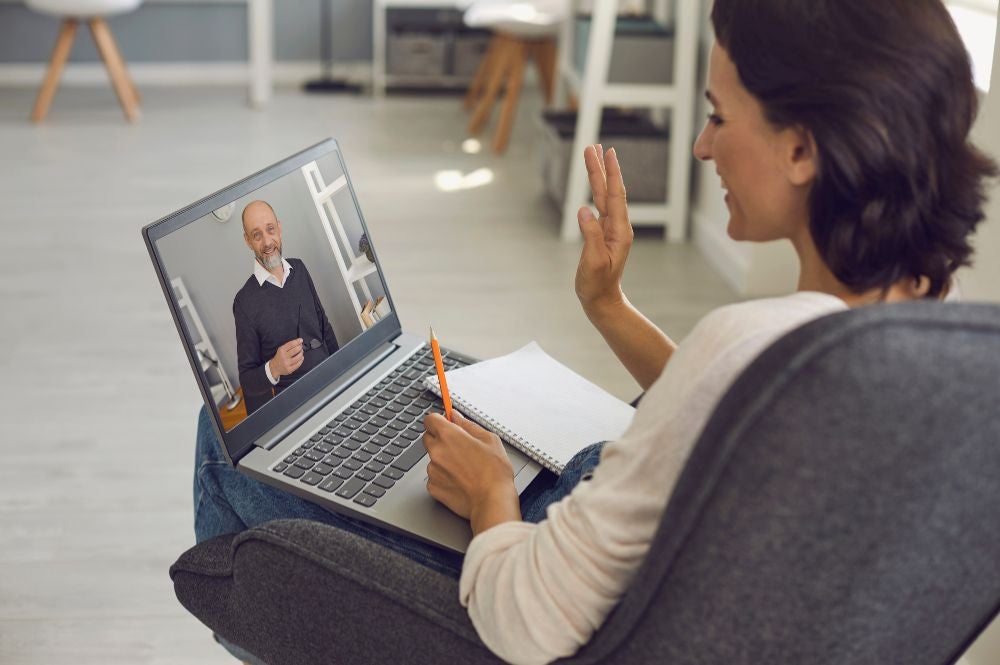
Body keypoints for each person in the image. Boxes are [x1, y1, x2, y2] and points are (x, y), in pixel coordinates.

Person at [192, 1, 997, 663]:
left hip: (535, 582)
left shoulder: (747, 342)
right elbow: (749, 419)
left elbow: (525, 618)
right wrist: (609, 305)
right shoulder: (935, 334)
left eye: (719, 116)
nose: (701, 144)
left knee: (227, 442)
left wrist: (491, 491)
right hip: (635, 556)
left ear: (801, 148)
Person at [233, 200, 340, 415]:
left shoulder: (299, 268)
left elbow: (324, 326)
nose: (267, 242)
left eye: (270, 229)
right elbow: (247, 380)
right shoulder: (244, 302)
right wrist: (274, 368)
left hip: (332, 384)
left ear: (279, 229)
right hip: (298, 408)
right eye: (257, 235)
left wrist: (343, 372)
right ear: (248, 241)